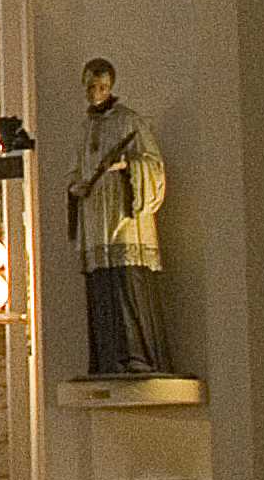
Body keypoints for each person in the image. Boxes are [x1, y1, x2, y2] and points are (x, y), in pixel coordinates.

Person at [66, 56, 179, 383]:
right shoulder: (84, 128)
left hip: (124, 218)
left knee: (128, 285)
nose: (95, 93)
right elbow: (76, 169)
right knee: (102, 289)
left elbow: (152, 164)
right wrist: (77, 185)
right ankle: (109, 358)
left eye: (101, 87)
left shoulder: (131, 122)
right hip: (95, 218)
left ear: (110, 86)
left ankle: (138, 357)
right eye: (90, 86)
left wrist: (126, 168)